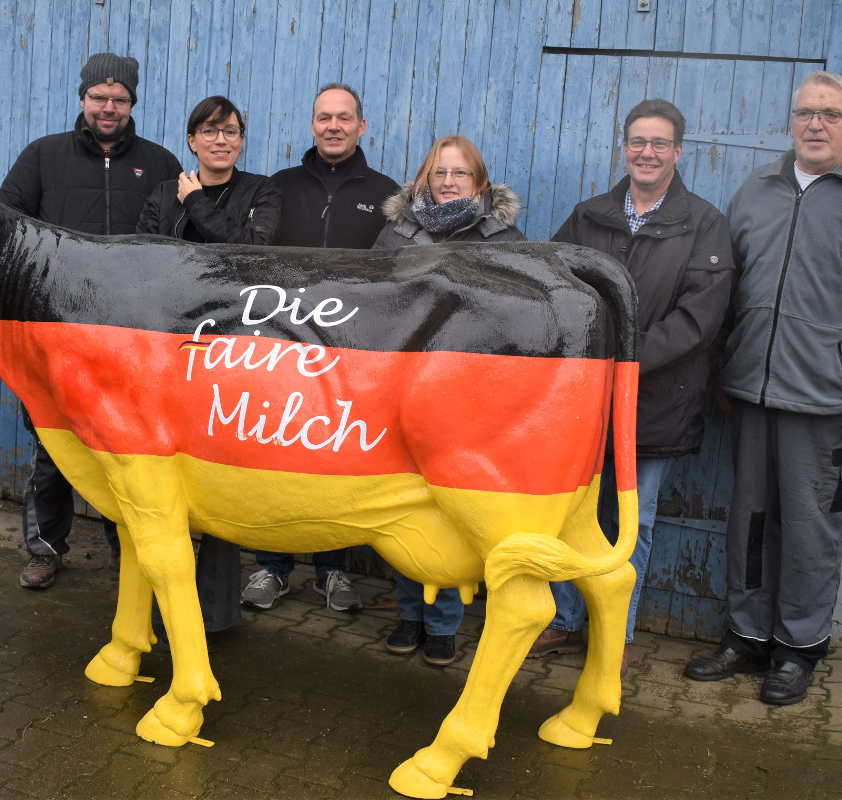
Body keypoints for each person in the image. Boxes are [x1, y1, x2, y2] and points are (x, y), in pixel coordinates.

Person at [684, 71, 842, 705]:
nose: (815, 125)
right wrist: (721, 370)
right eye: (804, 114)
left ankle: (797, 649)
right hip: (750, 396)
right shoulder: (756, 192)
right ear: (790, 123)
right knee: (750, 523)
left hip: (828, 404)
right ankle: (745, 636)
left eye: (829, 114)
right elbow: (728, 294)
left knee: (809, 529)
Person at [529, 99, 735, 674]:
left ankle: (614, 636)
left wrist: (627, 357)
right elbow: (555, 286)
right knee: (576, 514)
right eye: (638, 142)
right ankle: (568, 620)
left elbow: (701, 317)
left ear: (679, 151)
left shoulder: (704, 223)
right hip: (586, 398)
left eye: (660, 143)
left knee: (633, 524)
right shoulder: (590, 215)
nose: (648, 153)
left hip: (656, 400)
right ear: (624, 146)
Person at [0, 52, 182, 589]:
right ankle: (45, 550)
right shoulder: (42, 156)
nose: (108, 107)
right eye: (99, 98)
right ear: (82, 99)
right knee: (55, 448)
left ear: (132, 104)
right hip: (57, 332)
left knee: (124, 451)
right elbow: (7, 225)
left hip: (130, 338)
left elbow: (173, 244)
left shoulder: (161, 162)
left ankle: (126, 548)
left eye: (119, 99)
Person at [240, 83, 398, 613]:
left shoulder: (386, 192)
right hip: (282, 349)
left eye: (344, 117)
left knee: (339, 461)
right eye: (324, 117)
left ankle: (333, 571)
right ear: (312, 124)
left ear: (361, 126)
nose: (334, 125)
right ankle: (273, 566)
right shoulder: (278, 186)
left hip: (349, 353)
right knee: (275, 455)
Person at [372, 134, 526, 664]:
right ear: (424, 178)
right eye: (439, 172)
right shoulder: (395, 235)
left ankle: (443, 624)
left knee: (456, 510)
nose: (448, 182)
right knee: (408, 507)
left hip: (468, 398)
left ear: (479, 182)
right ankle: (410, 614)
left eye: (460, 173)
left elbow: (515, 321)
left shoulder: (504, 240)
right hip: (404, 392)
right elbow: (374, 303)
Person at [136, 95, 281, 646]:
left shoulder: (261, 191)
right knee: (164, 477)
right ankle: (157, 605)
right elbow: (147, 262)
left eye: (232, 131)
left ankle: (216, 613)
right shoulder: (158, 194)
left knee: (219, 478)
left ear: (242, 140)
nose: (222, 140)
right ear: (191, 139)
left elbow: (252, 256)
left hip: (234, 355)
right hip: (171, 355)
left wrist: (196, 203)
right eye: (210, 131)